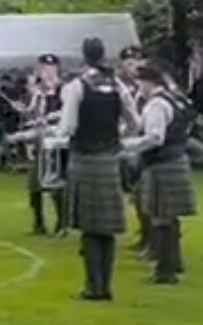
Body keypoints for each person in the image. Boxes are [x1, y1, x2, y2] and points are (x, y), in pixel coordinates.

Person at [51, 38, 139, 301]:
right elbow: (134, 122)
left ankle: (93, 287)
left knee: (90, 227)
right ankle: (106, 286)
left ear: (84, 55)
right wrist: (117, 135)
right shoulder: (117, 84)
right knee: (106, 228)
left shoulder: (78, 85)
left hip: (85, 157)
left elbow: (68, 126)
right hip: (109, 158)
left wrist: (56, 136)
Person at [122, 64, 197, 285]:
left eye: (139, 83)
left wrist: (128, 146)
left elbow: (155, 137)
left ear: (148, 82)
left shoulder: (156, 104)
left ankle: (165, 271)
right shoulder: (174, 99)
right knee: (169, 216)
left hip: (162, 163)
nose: (139, 88)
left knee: (160, 217)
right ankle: (174, 263)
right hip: (176, 160)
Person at [26, 53, 67, 236]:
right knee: (34, 184)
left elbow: (67, 112)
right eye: (44, 69)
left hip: (56, 142)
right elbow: (32, 114)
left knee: (55, 184)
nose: (48, 72)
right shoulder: (37, 93)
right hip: (40, 141)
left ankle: (62, 223)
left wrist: (48, 118)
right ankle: (38, 222)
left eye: (51, 69)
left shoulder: (63, 90)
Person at [118, 45, 150, 257]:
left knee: (145, 194)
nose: (133, 67)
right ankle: (145, 233)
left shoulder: (148, 87)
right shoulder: (122, 88)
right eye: (128, 64)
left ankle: (150, 237)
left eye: (136, 63)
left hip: (145, 143)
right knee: (136, 194)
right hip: (129, 143)